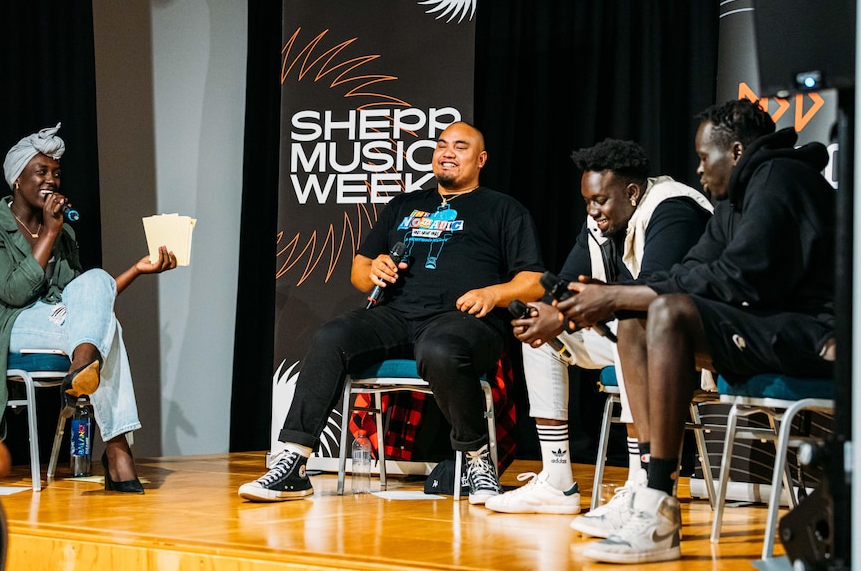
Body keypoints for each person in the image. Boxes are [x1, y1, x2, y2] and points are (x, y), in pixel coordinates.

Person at [556, 99, 836, 564]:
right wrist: (615, 300)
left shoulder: (780, 178)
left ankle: (661, 504)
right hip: (772, 328)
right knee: (637, 318)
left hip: (817, 336)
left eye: (705, 158)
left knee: (665, 313)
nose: (699, 170)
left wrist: (616, 295)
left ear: (739, 151)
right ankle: (648, 492)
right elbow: (691, 270)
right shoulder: (732, 205)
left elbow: (738, 278)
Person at [238, 121, 545, 505]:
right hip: (396, 315)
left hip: (463, 321)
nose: (447, 152)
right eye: (441, 145)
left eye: (460, 146)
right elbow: (359, 271)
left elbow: (535, 281)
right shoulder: (403, 205)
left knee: (440, 348)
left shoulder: (503, 209)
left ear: (481, 159)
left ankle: (475, 460)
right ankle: (293, 463)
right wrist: (374, 270)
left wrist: (493, 293)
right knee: (332, 336)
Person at [484, 139, 712, 523]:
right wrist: (549, 313)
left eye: (600, 201)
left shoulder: (674, 209)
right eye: (587, 201)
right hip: (635, 335)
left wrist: (567, 315)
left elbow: (657, 291)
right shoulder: (600, 222)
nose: (592, 211)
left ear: (632, 192)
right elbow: (570, 283)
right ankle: (557, 480)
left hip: (690, 340)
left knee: (632, 325)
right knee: (541, 336)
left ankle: (644, 481)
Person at [0, 123, 178, 493]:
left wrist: (137, 270)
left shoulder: (66, 232)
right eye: (41, 172)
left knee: (94, 282)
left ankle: (83, 364)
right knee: (108, 331)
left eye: (56, 173)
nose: (52, 180)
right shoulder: (5, 227)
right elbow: (14, 293)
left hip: (61, 323)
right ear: (18, 179)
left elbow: (85, 299)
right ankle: (116, 450)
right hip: (12, 327)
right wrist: (49, 232)